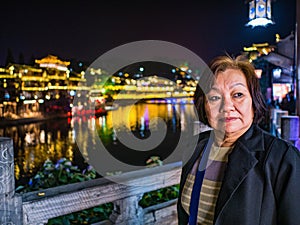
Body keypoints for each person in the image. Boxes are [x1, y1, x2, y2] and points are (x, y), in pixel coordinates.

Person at [177, 55, 300, 225]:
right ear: (204, 106)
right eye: (214, 98)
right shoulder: (195, 146)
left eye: (238, 95)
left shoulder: (281, 158)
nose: (227, 106)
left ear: (253, 102)